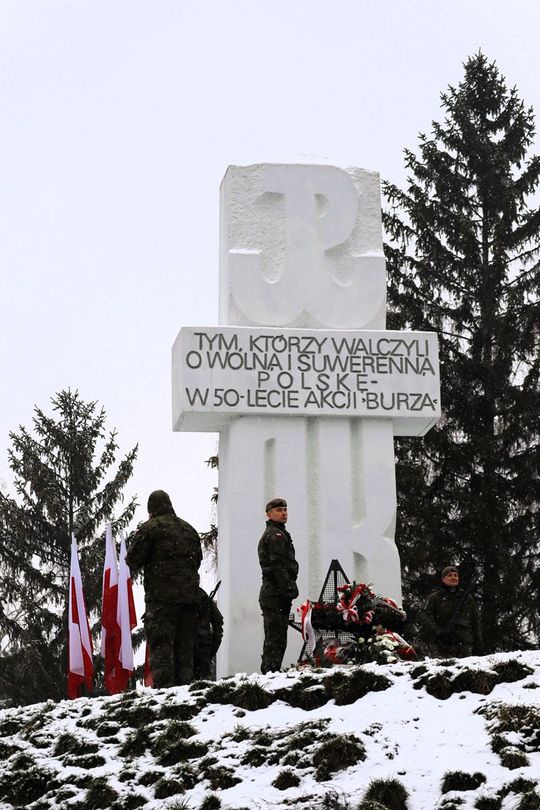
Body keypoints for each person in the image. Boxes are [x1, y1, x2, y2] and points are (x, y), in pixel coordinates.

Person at [126, 490, 202, 687]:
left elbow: (132, 561)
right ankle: (186, 695)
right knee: (185, 651)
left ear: (151, 510)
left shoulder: (150, 528)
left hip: (162, 601)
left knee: (162, 650)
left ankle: (166, 696)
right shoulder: (189, 530)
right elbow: (197, 562)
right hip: (189, 599)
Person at [258, 497, 299, 674]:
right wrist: (288, 588)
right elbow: (277, 566)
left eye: (285, 510)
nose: (283, 513)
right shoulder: (275, 535)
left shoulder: (279, 533)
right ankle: (270, 673)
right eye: (279, 510)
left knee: (277, 636)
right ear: (269, 514)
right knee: (275, 637)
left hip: (276, 592)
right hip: (275, 592)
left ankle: (271, 671)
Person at [422, 565, 483, 658]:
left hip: (464, 645)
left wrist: (478, 646)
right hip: (441, 646)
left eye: (455, 575)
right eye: (450, 575)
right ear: (443, 579)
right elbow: (426, 618)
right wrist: (438, 631)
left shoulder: (467, 598)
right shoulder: (435, 598)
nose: (453, 577)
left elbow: (475, 622)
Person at [193, 585, 224, 680]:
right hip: (202, 648)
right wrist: (212, 650)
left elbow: (218, 624)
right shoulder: (204, 598)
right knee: (203, 685)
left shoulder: (179, 598)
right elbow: (218, 624)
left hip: (187, 649)